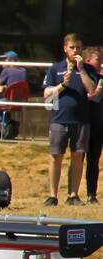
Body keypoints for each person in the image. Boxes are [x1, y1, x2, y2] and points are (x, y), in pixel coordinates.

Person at [44, 33, 99, 206]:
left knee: (77, 156)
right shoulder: (55, 68)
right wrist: (62, 85)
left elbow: (92, 91)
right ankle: (53, 195)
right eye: (72, 47)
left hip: (82, 120)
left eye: (78, 47)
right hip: (59, 119)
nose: (75, 50)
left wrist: (81, 69)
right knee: (56, 156)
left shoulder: (88, 69)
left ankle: (73, 195)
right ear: (65, 48)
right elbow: (46, 95)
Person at [86, 47, 103, 205]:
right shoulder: (81, 77)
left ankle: (91, 193)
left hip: (98, 125)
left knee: (94, 161)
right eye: (98, 59)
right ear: (88, 61)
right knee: (77, 160)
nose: (101, 62)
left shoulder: (100, 78)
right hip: (82, 123)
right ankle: (73, 194)